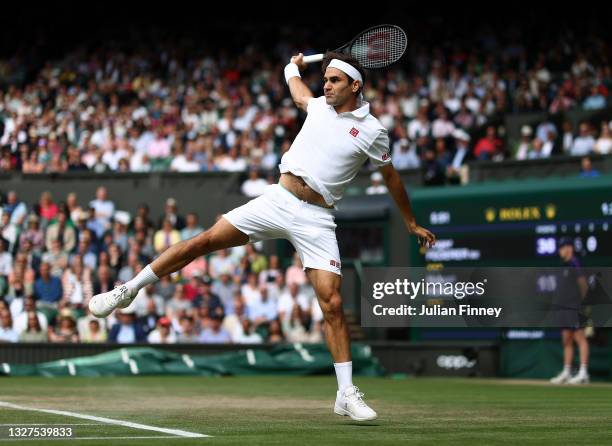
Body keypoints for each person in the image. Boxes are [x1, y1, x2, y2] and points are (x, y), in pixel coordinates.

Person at [90, 51, 436, 422]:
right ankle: (128, 290)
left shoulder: (373, 131)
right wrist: (292, 66)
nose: (327, 85)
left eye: (335, 80)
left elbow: (391, 178)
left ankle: (345, 393)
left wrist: (410, 222)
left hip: (318, 219)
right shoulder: (317, 106)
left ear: (355, 85)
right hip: (278, 199)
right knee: (203, 241)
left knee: (332, 303)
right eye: (326, 79)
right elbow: (297, 90)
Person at [550, 237, 590, 385]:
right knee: (566, 339)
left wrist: (585, 306)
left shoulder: (575, 263)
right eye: (560, 248)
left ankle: (583, 372)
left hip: (576, 307)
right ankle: (567, 372)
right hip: (564, 308)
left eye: (563, 247)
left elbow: (583, 284)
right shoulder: (563, 265)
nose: (560, 250)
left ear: (570, 248)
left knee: (580, 337)